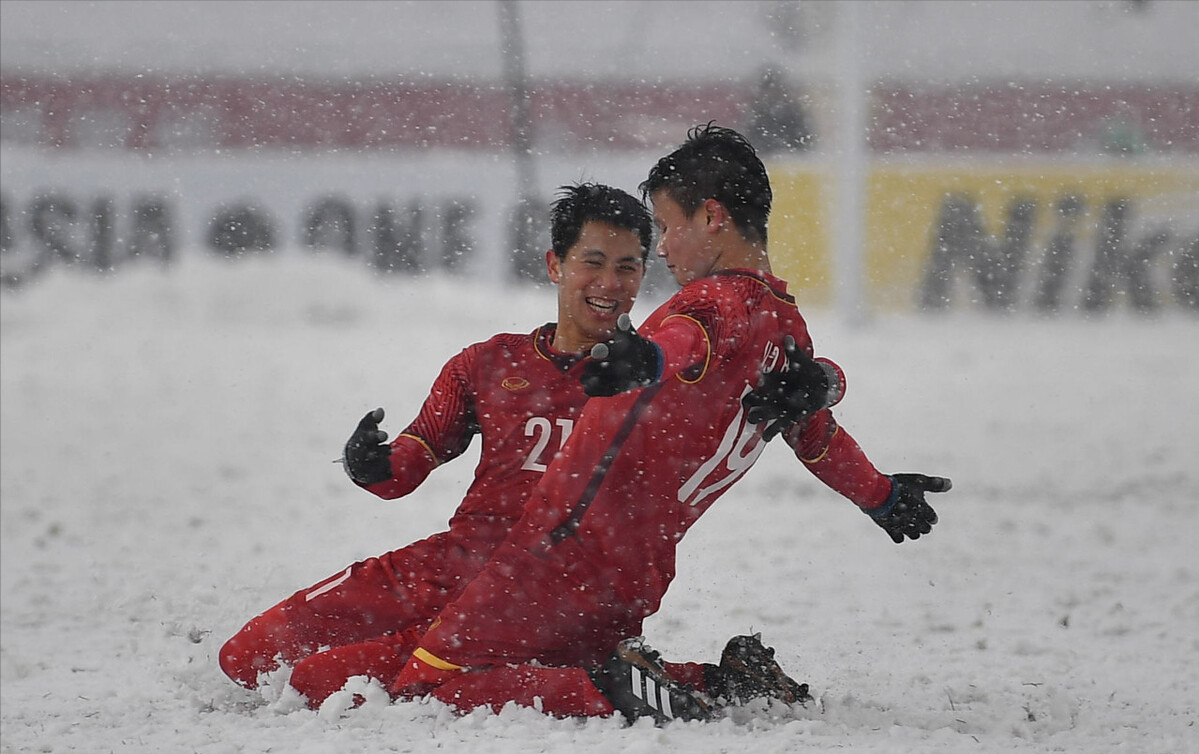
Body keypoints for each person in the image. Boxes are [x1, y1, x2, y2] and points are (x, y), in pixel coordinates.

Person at [389, 124, 951, 723]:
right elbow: (817, 436)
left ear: (712, 217)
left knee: (421, 689)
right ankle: (722, 684)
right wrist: (881, 495)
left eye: (664, 226)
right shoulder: (786, 328)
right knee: (530, 665)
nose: (661, 248)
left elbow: (688, 339)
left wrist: (645, 358)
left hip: (563, 550)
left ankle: (614, 690)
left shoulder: (712, 302)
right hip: (642, 569)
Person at [218, 182, 655, 707]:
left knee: (312, 684)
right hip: (450, 568)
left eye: (628, 267)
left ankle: (661, 681)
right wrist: (371, 465)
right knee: (249, 660)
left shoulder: (659, 380)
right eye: (594, 262)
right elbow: (411, 460)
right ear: (555, 265)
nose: (610, 283)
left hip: (546, 595)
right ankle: (593, 677)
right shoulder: (488, 364)